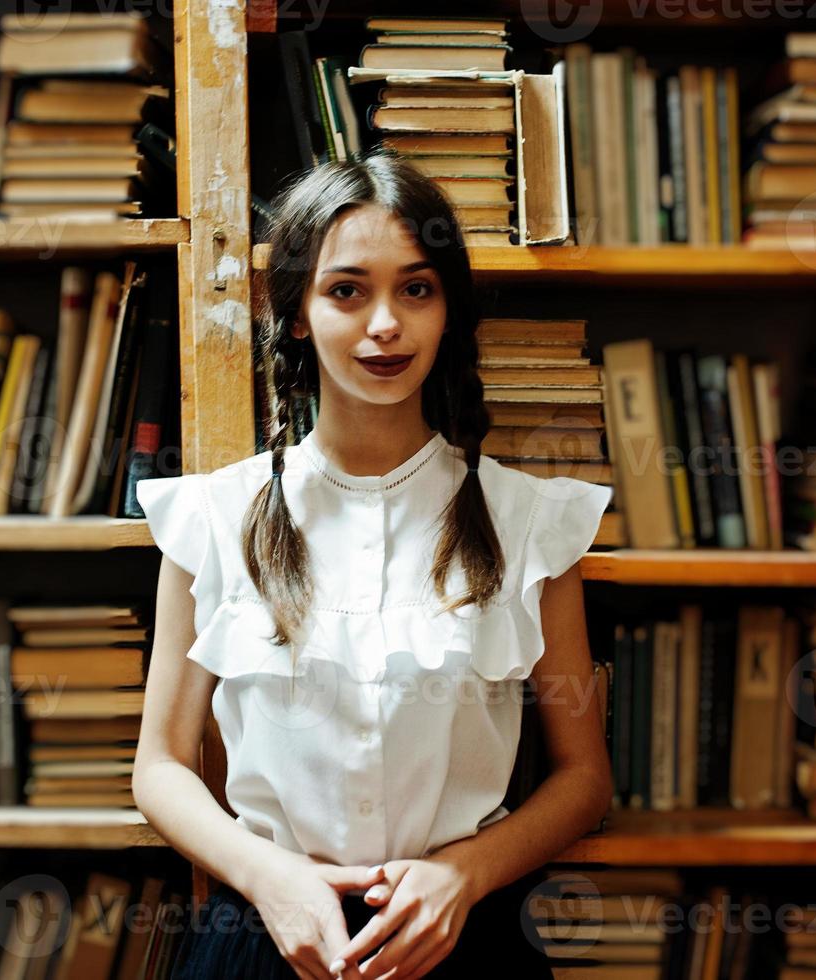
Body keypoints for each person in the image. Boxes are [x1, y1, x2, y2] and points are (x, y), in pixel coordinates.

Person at [133, 150, 613, 980]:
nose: (384, 324)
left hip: (463, 939)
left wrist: (463, 875)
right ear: (295, 313)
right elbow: (161, 765)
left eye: (415, 289)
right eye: (347, 290)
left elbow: (583, 780)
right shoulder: (211, 518)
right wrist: (270, 878)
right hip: (267, 937)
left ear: (446, 311)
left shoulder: (532, 522)